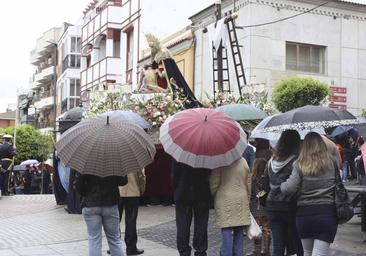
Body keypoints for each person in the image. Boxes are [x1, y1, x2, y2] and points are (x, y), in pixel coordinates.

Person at [280, 132, 338, 256]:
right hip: (327, 213)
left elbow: (289, 189)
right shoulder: (332, 162)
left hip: (304, 215)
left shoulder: (299, 164)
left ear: (304, 146)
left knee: (306, 252)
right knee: (319, 253)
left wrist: (282, 185)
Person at [265, 130, 303, 256]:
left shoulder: (271, 162)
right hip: (291, 206)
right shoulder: (297, 161)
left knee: (278, 245)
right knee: (297, 243)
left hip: (272, 206)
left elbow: (265, 183)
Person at [75, 174, 128, 256]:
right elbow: (123, 181)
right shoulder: (114, 162)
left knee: (94, 240)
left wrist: (86, 194)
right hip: (111, 204)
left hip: (91, 205)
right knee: (114, 240)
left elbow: (78, 185)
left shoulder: (86, 164)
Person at [210, 158, 250, 256]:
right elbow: (248, 182)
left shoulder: (220, 162)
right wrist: (247, 197)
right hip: (241, 198)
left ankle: (226, 253)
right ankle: (238, 253)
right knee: (239, 231)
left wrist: (214, 194)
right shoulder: (243, 162)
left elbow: (214, 183)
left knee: (226, 229)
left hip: (224, 199)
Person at [172, 160, 211, 256]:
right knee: (201, 223)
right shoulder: (206, 152)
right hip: (202, 191)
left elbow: (174, 175)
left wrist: (176, 188)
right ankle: (200, 250)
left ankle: (183, 250)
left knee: (182, 224)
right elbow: (209, 173)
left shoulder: (180, 152)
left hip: (182, 192)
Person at [118, 170, 146, 255]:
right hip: (133, 191)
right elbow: (141, 176)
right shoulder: (135, 158)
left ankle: (114, 246)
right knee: (131, 221)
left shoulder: (113, 157)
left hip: (117, 192)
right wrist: (141, 190)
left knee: (115, 221)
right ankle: (131, 248)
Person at [248, 158, 271, 256]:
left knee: (256, 231)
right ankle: (265, 250)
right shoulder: (268, 180)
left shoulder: (252, 179)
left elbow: (251, 194)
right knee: (266, 230)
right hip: (266, 209)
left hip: (255, 210)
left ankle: (256, 250)